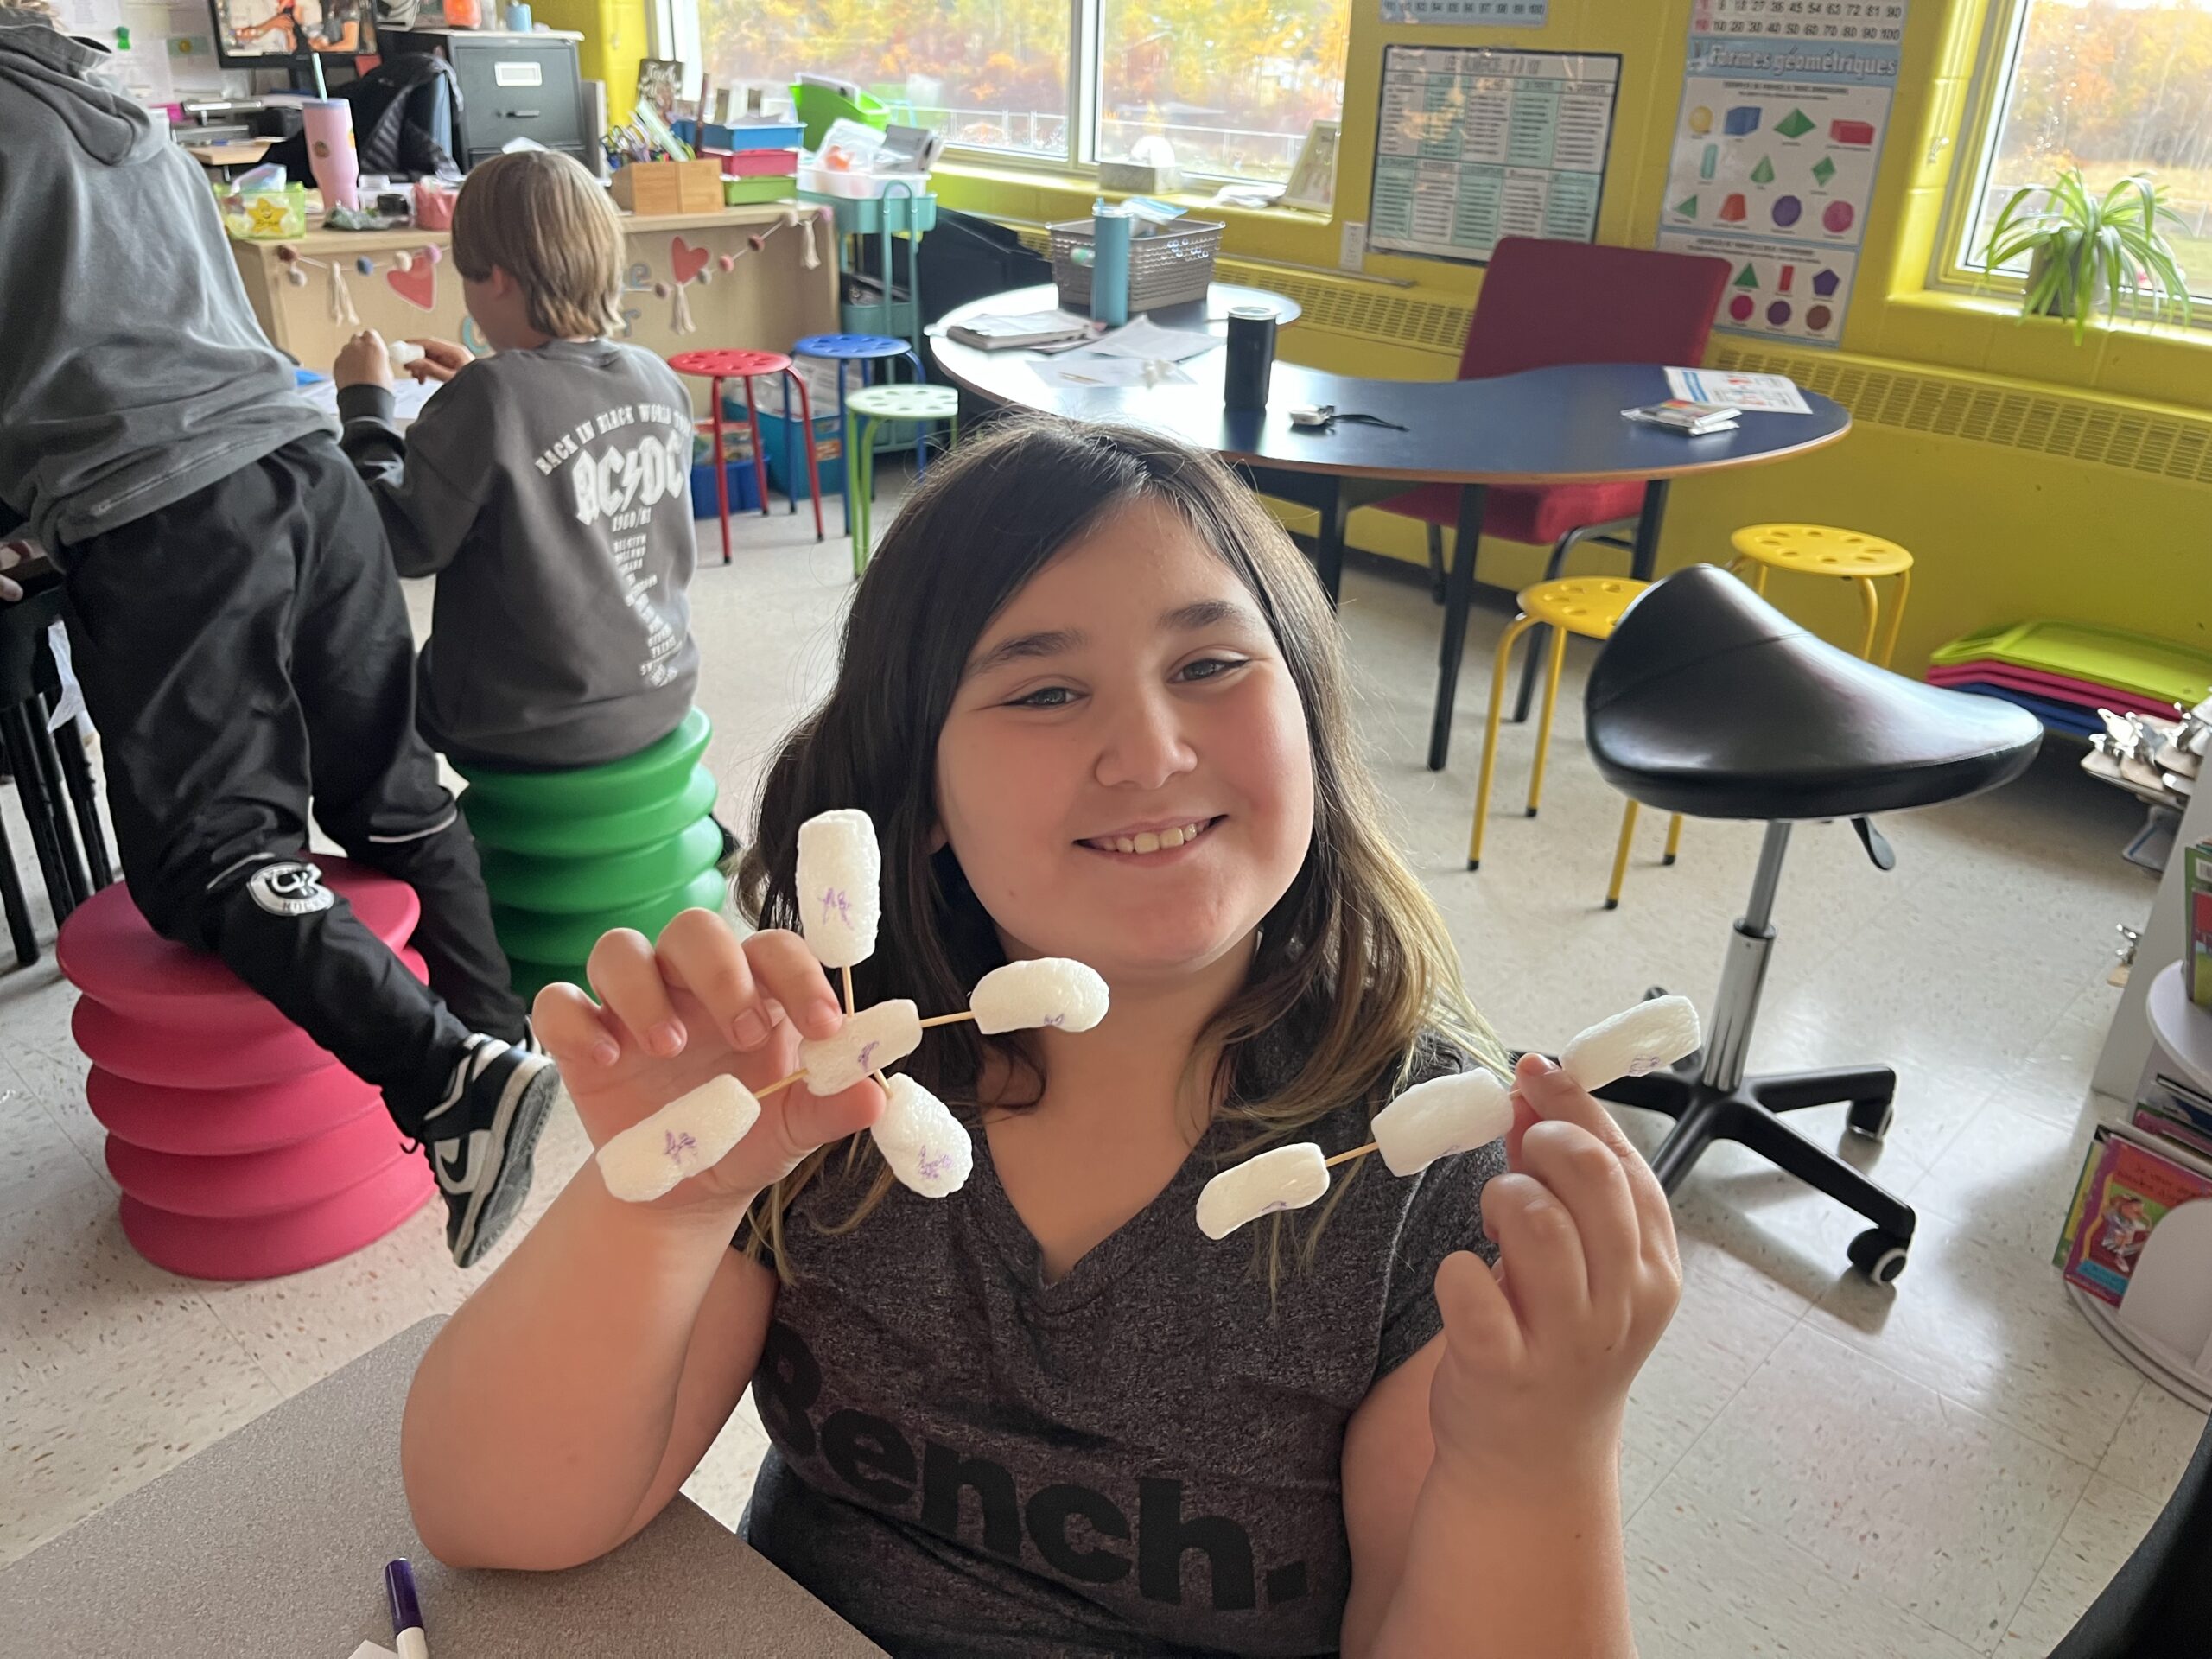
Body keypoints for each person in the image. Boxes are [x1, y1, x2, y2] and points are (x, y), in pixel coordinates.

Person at [403, 416, 1682, 1656]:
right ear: (922, 795)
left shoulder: (1425, 1185)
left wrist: (1537, 1455)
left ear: (1309, 713)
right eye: (1047, 690)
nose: (1150, 753)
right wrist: (663, 1206)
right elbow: (494, 1521)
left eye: (1209, 666)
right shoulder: (822, 1086)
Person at [0, 1, 558, 1268]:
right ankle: (501, 1040)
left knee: (205, 859)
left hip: (167, 517)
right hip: (305, 472)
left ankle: (447, 1078)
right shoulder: (100, 95)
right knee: (393, 797)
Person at [332, 149, 700, 777]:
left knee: (341, 680)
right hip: (662, 688)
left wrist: (364, 406)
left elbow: (398, 541)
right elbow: (554, 428)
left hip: (521, 723)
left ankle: (416, 827)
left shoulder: (490, 398)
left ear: (497, 278)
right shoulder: (656, 378)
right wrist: (479, 386)